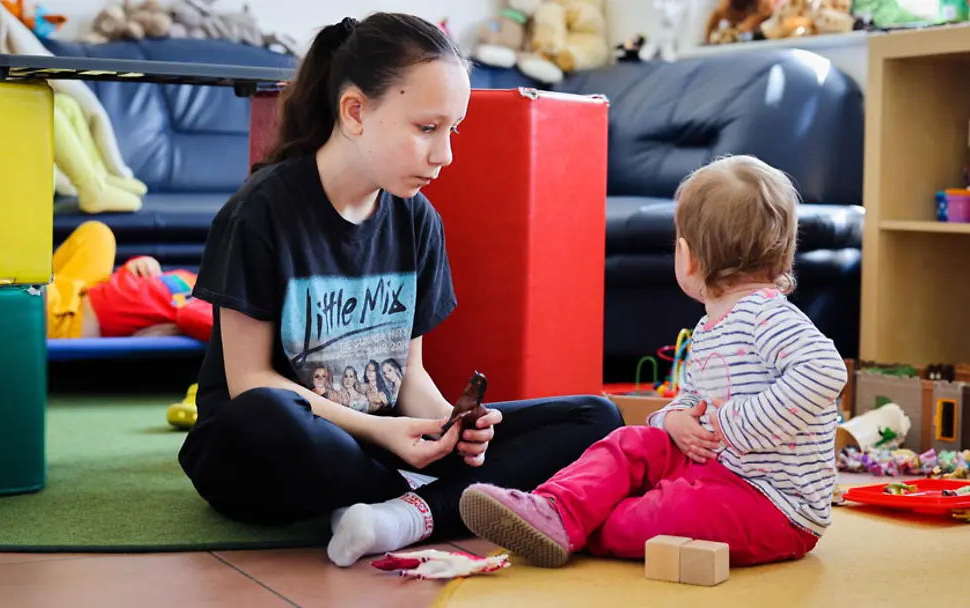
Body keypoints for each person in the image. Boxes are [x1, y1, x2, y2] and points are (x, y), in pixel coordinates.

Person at [175, 12, 624, 568]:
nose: (445, 155)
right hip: (272, 450)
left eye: (452, 130)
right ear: (356, 111)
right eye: (427, 128)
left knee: (597, 418)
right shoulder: (260, 213)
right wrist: (388, 435)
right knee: (270, 411)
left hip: (376, 442)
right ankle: (424, 500)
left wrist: (446, 430)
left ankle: (394, 515)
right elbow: (249, 383)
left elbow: (406, 375)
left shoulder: (417, 220)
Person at [458, 155, 849, 568]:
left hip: (775, 506)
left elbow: (824, 371)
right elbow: (693, 400)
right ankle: (558, 510)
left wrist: (739, 423)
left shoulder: (767, 315)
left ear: (690, 257)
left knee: (666, 512)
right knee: (631, 442)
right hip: (717, 472)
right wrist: (674, 420)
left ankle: (580, 525)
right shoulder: (710, 329)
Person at [47, 220, 211, 342]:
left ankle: (36, 294)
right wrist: (141, 264)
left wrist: (179, 330)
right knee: (96, 233)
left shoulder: (219, 308)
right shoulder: (195, 279)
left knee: (30, 284)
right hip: (82, 291)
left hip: (67, 320)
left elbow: (216, 327)